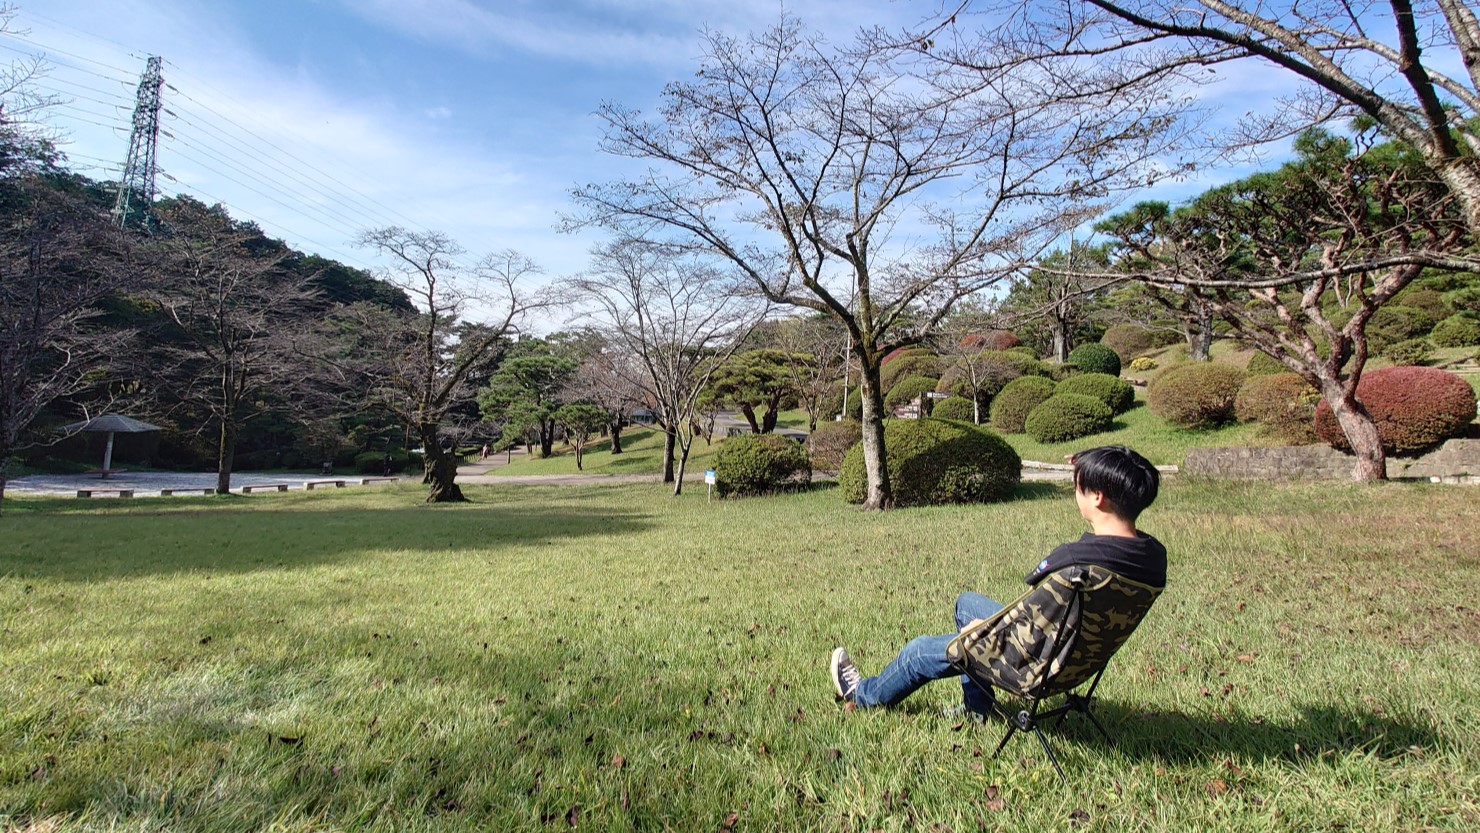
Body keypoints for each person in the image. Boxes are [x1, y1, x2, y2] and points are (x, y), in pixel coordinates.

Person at [829, 445, 1166, 719]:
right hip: (1076, 663)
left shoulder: (1075, 566)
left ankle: (862, 695)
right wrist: (1091, 463)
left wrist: (982, 632)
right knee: (966, 603)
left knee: (918, 652)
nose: (1075, 490)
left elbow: (1029, 619)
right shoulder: (1151, 559)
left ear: (1098, 497)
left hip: (1033, 667)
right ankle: (979, 710)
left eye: (1079, 484)